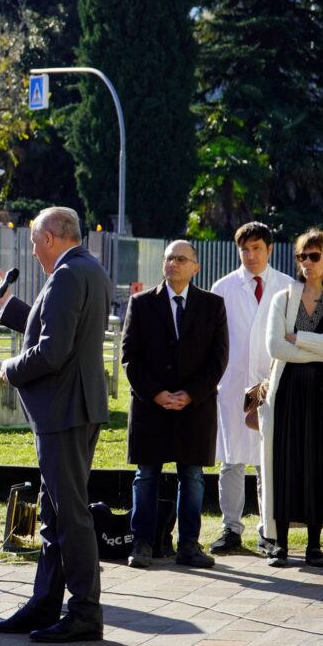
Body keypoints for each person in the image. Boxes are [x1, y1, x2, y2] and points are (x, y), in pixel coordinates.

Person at [0, 206, 112, 643]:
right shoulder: (88, 268)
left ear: (50, 237)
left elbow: (52, 350)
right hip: (73, 408)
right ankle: (45, 602)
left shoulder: (68, 275)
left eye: (33, 241)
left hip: (65, 410)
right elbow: (53, 326)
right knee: (55, 514)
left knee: (70, 515)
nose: (32, 251)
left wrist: (10, 368)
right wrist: (8, 304)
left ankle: (85, 610)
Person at [121, 241, 229, 570]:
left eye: (181, 259)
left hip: (193, 408)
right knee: (147, 475)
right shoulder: (140, 304)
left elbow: (218, 358)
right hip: (150, 407)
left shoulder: (212, 305)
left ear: (195, 267)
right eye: (169, 258)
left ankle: (189, 546)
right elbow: (129, 358)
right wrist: (156, 393)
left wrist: (191, 394)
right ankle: (143, 544)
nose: (173, 264)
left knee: (192, 476)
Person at [260, 229, 323, 567]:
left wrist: (298, 338)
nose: (308, 263)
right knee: (284, 462)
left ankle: (314, 545)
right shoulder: (282, 299)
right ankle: (280, 545)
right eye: (302, 256)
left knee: (319, 462)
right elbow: (274, 347)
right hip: (286, 392)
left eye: (315, 256)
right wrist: (321, 347)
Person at [209, 222, 294, 555]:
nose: (251, 254)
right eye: (245, 249)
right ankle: (230, 528)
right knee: (231, 459)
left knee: (268, 459)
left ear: (270, 249)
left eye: (257, 248)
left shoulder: (287, 287)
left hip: (272, 383)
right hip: (232, 385)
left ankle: (268, 529)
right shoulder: (223, 287)